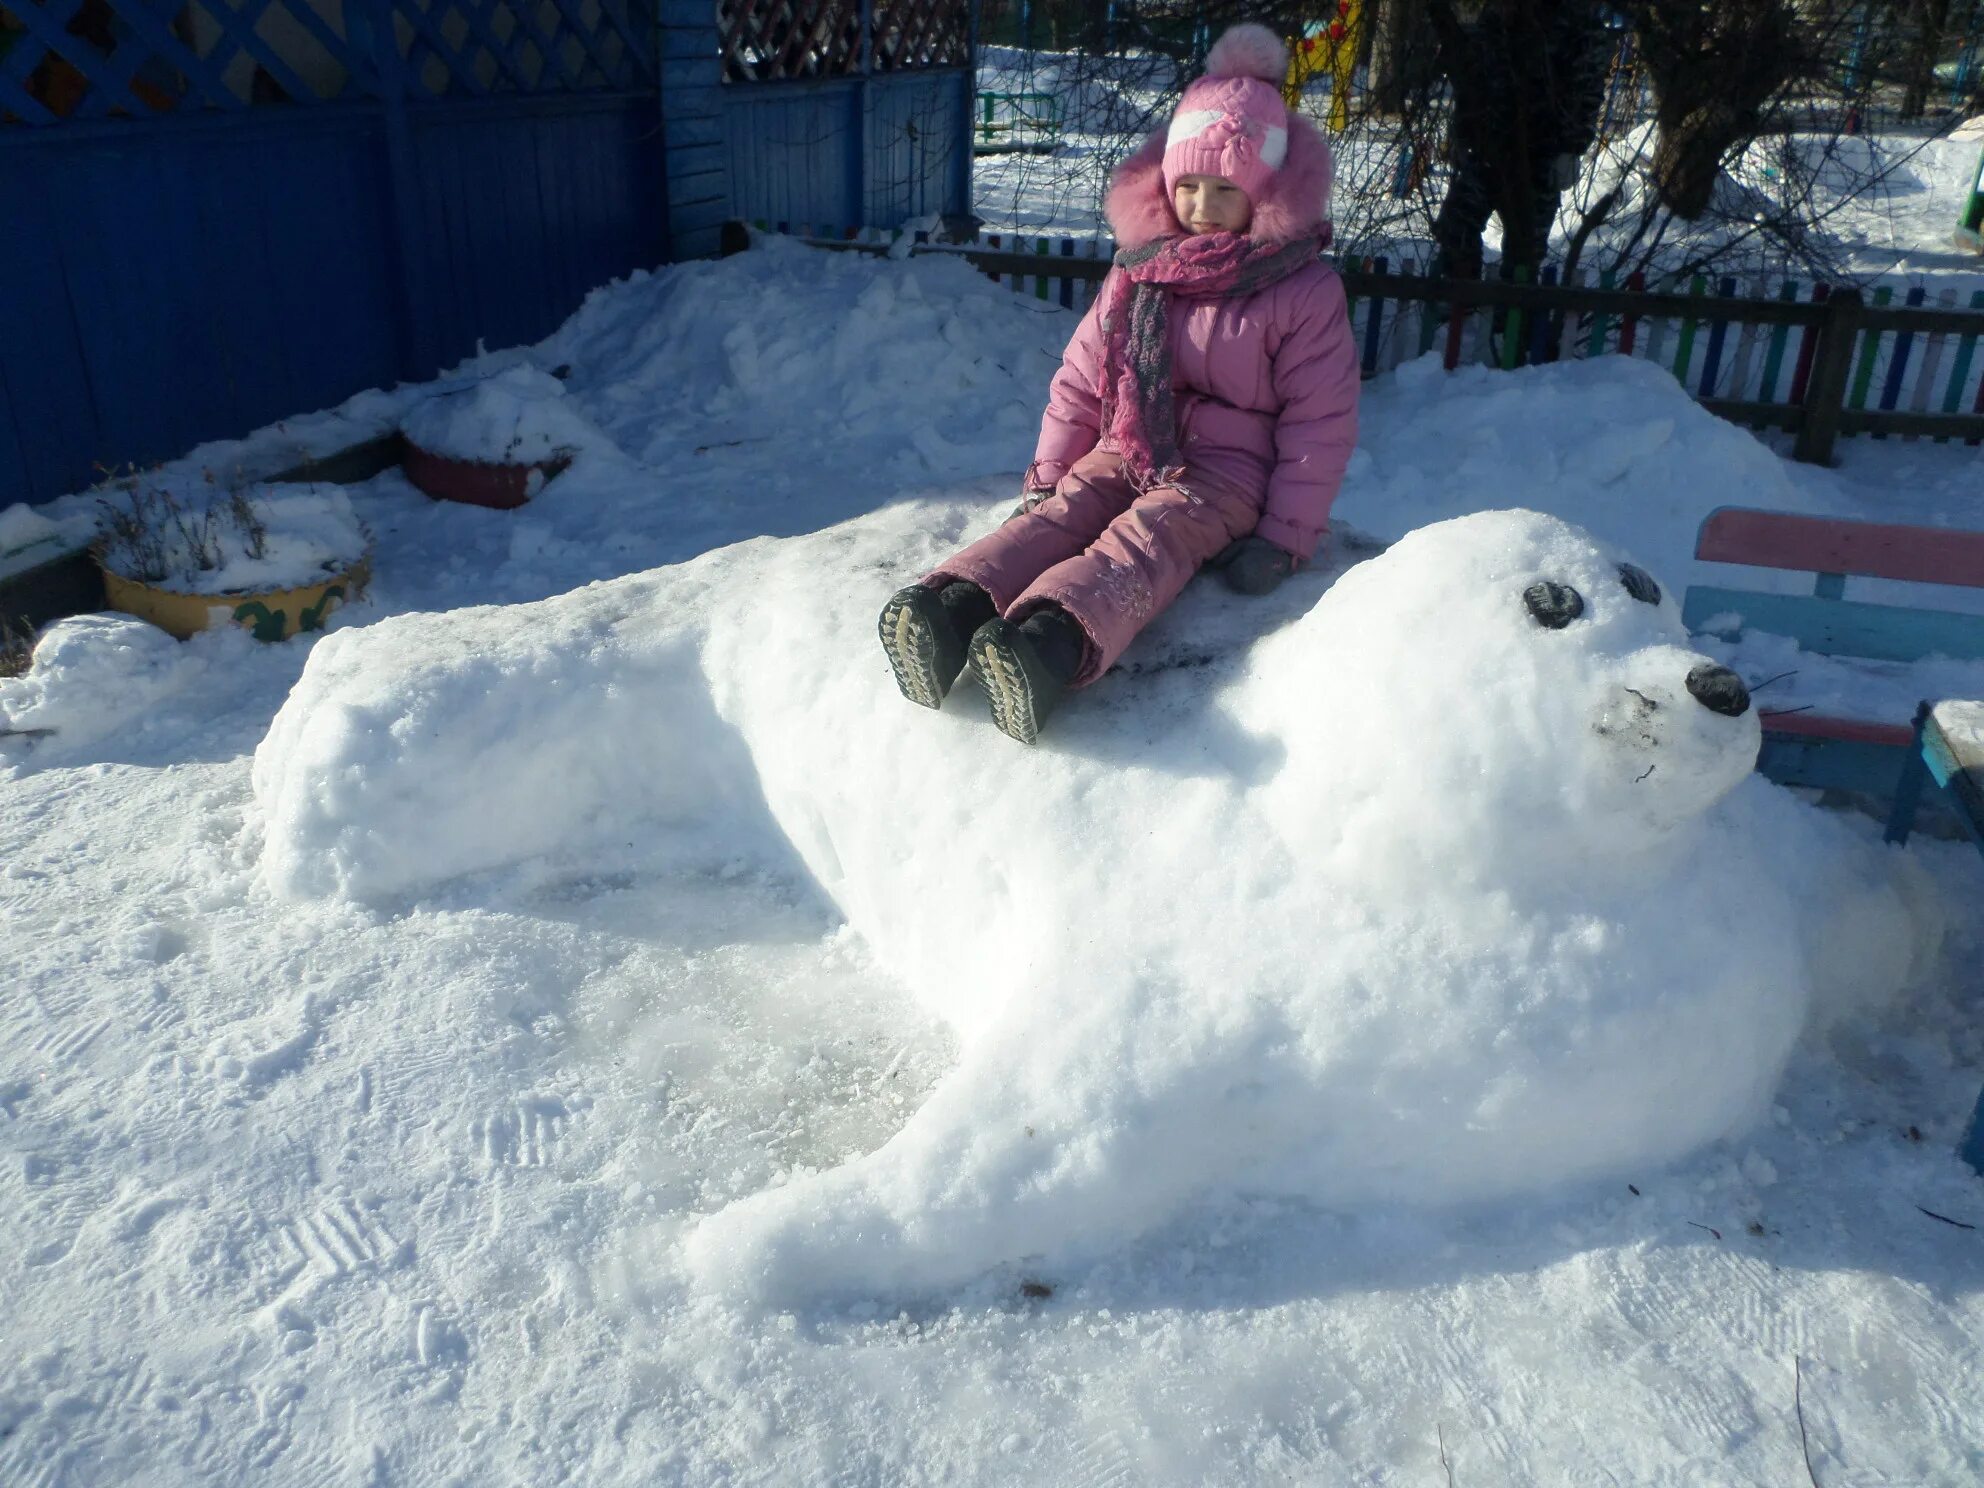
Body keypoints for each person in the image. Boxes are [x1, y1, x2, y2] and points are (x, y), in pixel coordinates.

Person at [878, 22, 1360, 744]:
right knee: (1059, 516)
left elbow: (1319, 422)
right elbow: (1081, 378)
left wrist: (1286, 535)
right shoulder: (1139, 270)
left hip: (1224, 477)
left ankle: (1047, 645)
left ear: (1264, 190)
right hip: (1127, 445)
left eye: (1223, 188)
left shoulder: (1300, 290)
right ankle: (950, 612)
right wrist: (1048, 473)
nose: (1199, 204)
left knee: (1145, 539)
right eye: (1186, 184)